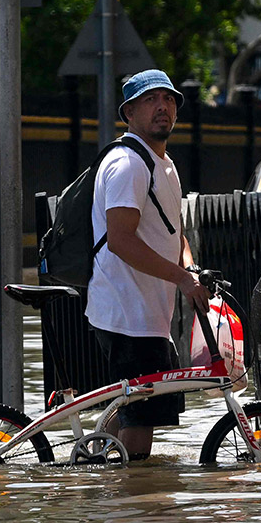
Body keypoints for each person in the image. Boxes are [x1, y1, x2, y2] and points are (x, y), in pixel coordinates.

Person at [86, 68, 210, 459]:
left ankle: (91, 465)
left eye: (170, 99)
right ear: (130, 113)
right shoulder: (128, 165)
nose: (163, 107)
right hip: (126, 311)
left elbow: (174, 233)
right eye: (151, 100)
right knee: (141, 420)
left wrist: (188, 269)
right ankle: (138, 510)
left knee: (131, 405)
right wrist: (182, 280)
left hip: (148, 314)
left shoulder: (165, 166)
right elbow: (121, 240)